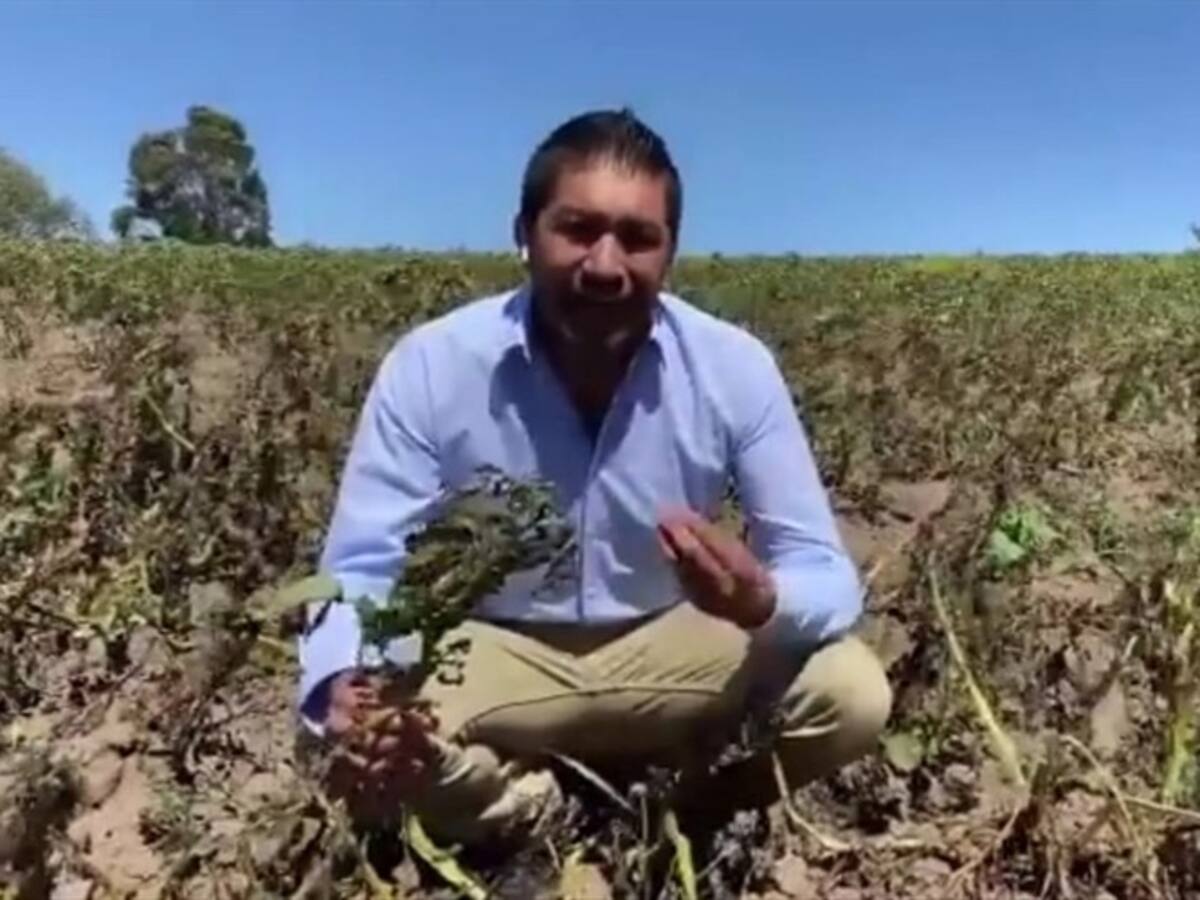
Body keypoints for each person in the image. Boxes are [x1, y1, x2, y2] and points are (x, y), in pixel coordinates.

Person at [297, 108, 891, 844]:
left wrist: (760, 598)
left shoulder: (734, 367)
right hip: (492, 650)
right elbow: (364, 566)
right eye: (577, 229)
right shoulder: (432, 365)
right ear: (523, 232)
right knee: (346, 739)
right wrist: (348, 687)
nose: (606, 265)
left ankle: (691, 810)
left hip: (672, 646)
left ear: (671, 252)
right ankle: (517, 810)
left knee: (852, 696)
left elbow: (824, 573)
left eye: (638, 239)